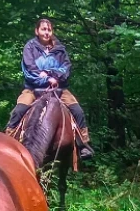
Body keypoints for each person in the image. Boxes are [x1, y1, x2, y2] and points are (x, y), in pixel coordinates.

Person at [6, 18, 94, 159]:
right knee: (19, 110)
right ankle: (8, 141)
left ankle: (83, 145)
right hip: (33, 89)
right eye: (43, 29)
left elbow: (65, 70)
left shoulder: (60, 49)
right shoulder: (30, 47)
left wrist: (51, 74)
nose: (46, 32)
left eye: (49, 29)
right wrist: (47, 79)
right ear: (37, 31)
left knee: (78, 111)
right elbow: (30, 70)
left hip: (59, 89)